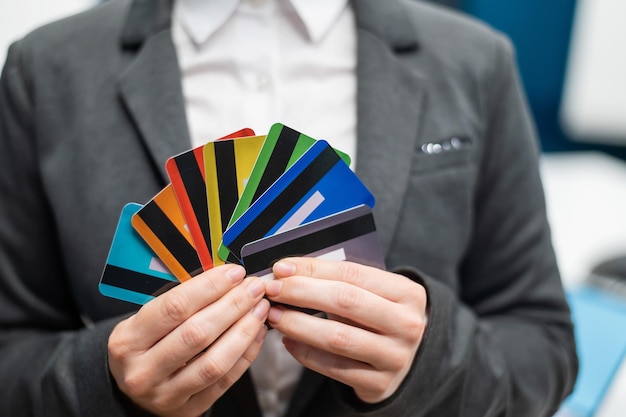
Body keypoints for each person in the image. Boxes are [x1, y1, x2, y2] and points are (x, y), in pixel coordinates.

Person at [0, 0, 578, 416]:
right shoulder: (46, 68)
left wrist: (429, 363)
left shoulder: (475, 60)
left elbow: (544, 345)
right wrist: (105, 383)